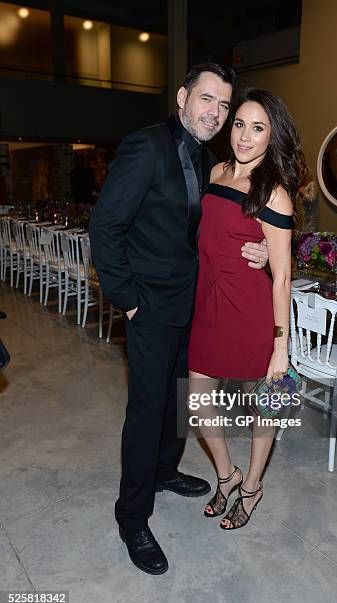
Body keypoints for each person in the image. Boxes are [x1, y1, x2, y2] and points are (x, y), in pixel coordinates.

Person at [89, 64, 269, 575]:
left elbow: (214, 230)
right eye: (207, 100)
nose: (215, 112)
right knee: (147, 410)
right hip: (149, 306)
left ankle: (165, 471)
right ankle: (132, 516)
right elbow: (106, 225)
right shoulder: (146, 146)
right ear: (183, 96)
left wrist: (260, 249)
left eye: (223, 106)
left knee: (182, 397)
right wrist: (127, 299)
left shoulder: (210, 160)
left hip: (195, 305)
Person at [188, 88, 308, 529]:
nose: (244, 136)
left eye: (258, 128)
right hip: (209, 303)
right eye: (239, 124)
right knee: (199, 401)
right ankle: (227, 475)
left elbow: (282, 275)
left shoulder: (275, 195)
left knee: (267, 406)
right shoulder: (217, 171)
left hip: (251, 310)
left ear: (271, 136)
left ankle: (252, 487)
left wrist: (282, 346)